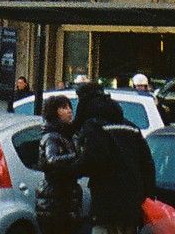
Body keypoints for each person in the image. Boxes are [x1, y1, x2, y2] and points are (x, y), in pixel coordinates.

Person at [74, 82, 155, 234]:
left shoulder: (93, 126)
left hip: (106, 200)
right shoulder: (131, 127)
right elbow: (147, 163)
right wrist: (147, 194)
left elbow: (92, 162)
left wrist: (72, 169)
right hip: (132, 200)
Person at [35, 95, 83, 234]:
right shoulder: (52, 136)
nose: (69, 111)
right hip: (55, 201)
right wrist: (77, 157)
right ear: (54, 112)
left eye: (69, 107)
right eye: (63, 108)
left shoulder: (69, 136)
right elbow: (52, 159)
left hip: (64, 199)